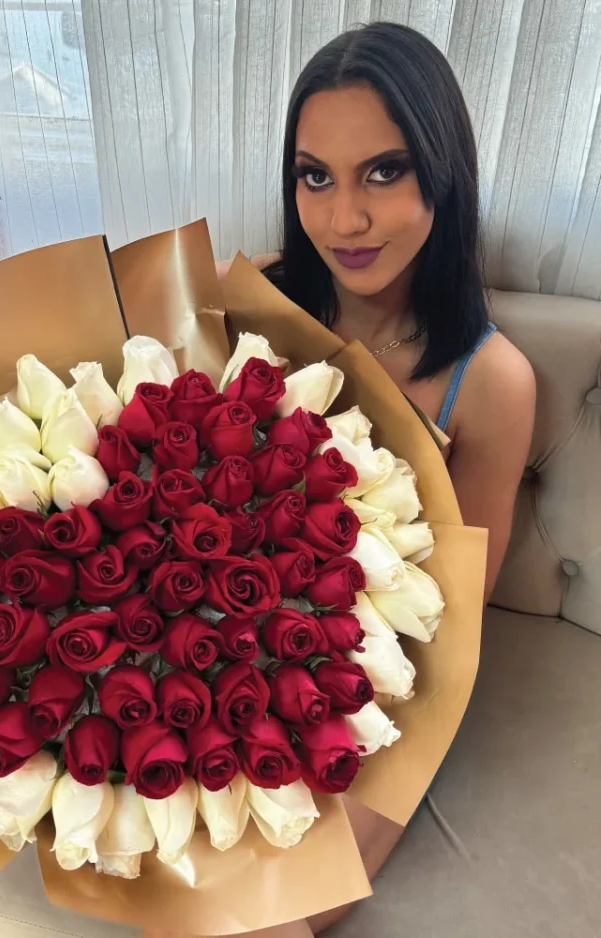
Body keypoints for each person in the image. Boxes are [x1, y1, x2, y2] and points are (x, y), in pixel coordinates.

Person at [205, 20, 535, 938]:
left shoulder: (491, 380)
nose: (343, 218)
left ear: (444, 173)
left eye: (383, 172)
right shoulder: (258, 295)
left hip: (374, 685)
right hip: (213, 629)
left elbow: (451, 624)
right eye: (316, 176)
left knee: (262, 923)